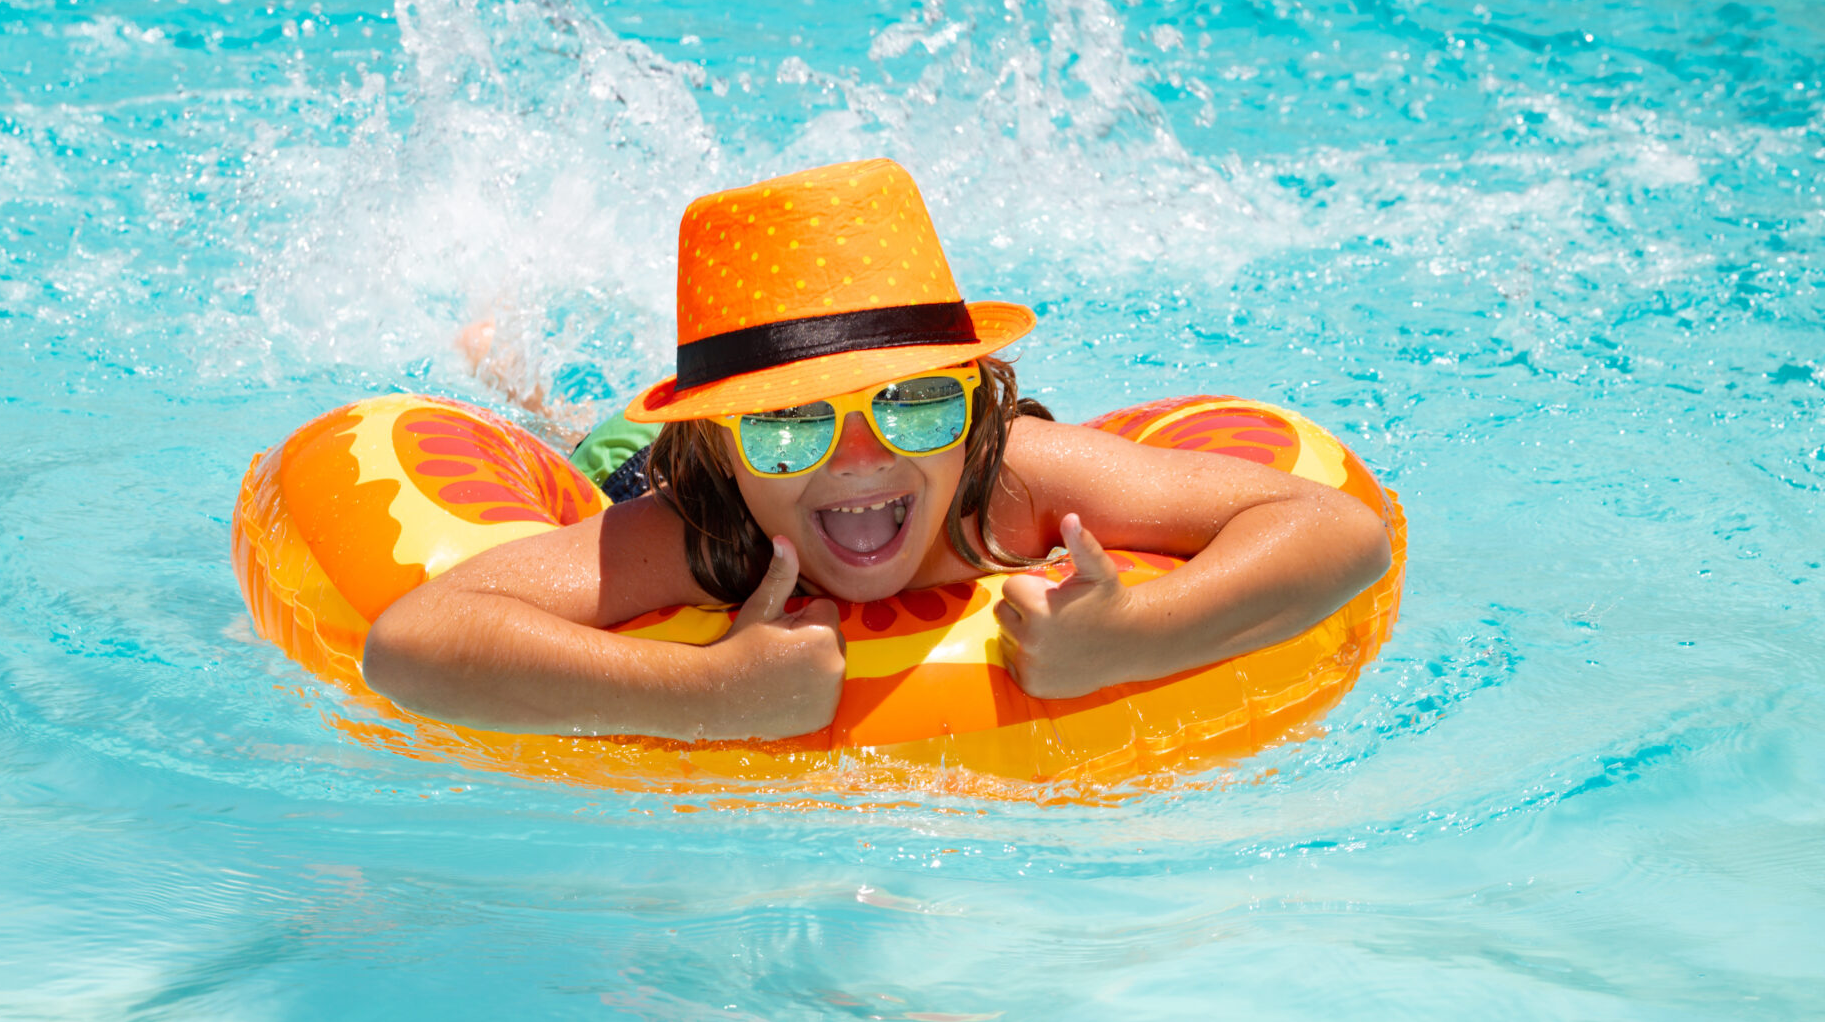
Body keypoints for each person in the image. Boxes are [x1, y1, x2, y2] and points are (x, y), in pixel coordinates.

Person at [365, 159, 1391, 742]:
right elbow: (411, 642)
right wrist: (702, 690)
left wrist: (1142, 632)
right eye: (790, 422)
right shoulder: (698, 528)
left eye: (909, 405)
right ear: (725, 453)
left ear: (979, 411)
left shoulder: (1014, 487)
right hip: (647, 458)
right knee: (575, 440)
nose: (856, 456)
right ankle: (514, 376)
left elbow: (1336, 529)